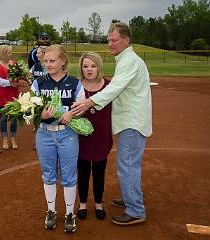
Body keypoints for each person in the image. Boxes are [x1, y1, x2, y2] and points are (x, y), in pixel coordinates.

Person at [71, 22, 152, 225]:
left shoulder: (129, 61)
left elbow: (113, 88)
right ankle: (129, 197)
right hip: (130, 121)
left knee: (127, 165)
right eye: (109, 39)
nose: (110, 43)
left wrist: (90, 101)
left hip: (132, 123)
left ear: (126, 40)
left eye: (114, 40)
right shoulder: (126, 60)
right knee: (128, 164)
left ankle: (135, 209)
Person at [31, 44, 85, 233]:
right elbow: (29, 112)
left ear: (63, 61)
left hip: (67, 134)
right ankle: (51, 210)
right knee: (48, 174)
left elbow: (82, 108)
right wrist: (41, 116)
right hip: (45, 133)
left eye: (52, 60)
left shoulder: (75, 83)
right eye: (45, 61)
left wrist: (72, 114)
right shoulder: (38, 83)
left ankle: (70, 214)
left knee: (69, 176)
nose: (48, 64)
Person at [76, 52, 112, 221]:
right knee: (82, 172)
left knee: (99, 172)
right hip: (81, 138)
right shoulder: (76, 86)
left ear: (99, 67)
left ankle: (98, 203)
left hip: (101, 136)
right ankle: (82, 203)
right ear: (81, 69)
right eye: (85, 66)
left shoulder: (109, 85)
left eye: (93, 65)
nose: (89, 69)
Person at [0, 45, 19, 150]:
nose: (10, 55)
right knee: (3, 119)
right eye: (8, 53)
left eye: (10, 53)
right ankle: (4, 138)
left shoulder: (14, 64)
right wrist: (10, 83)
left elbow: (20, 76)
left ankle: (13, 138)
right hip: (2, 96)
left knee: (14, 118)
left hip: (14, 95)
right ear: (2, 53)